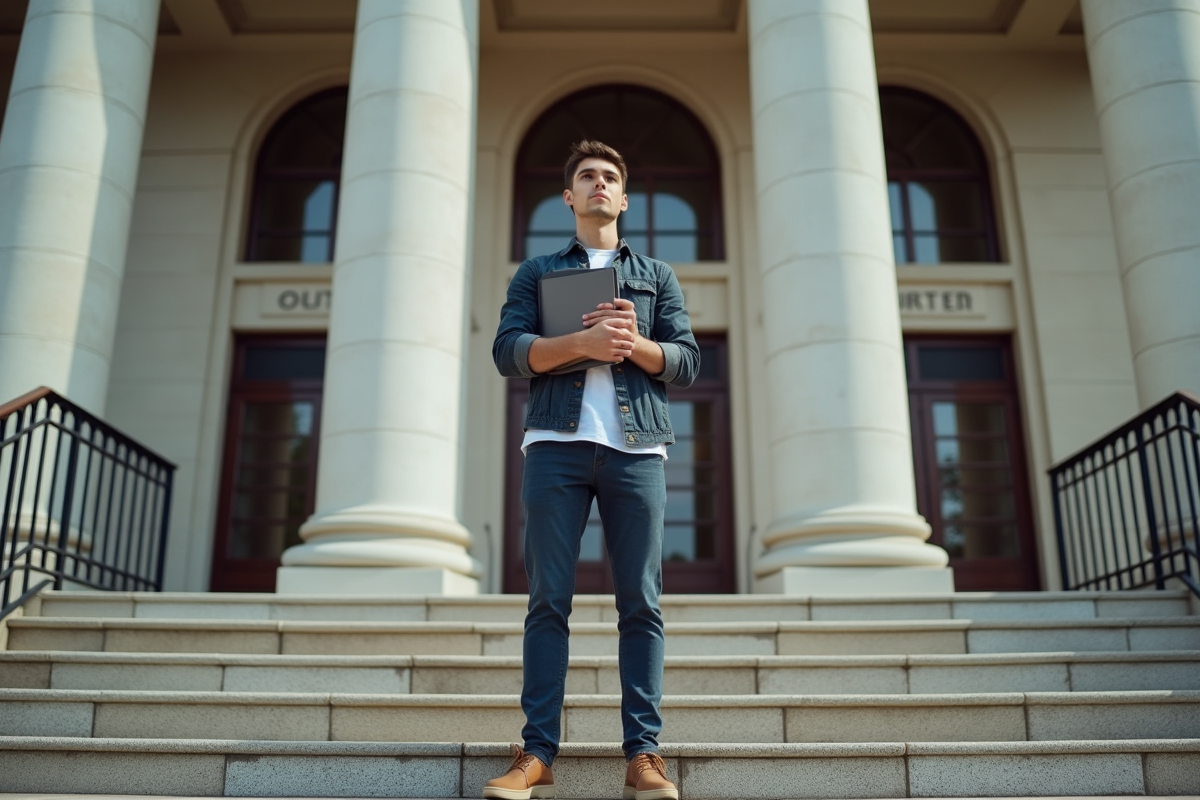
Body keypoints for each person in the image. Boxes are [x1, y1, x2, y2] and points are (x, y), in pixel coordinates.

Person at [488, 140, 700, 800]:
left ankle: (643, 755)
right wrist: (579, 345)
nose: (599, 185)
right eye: (587, 177)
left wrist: (634, 345)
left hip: (638, 451)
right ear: (569, 198)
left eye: (610, 177)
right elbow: (507, 351)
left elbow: (688, 363)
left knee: (641, 602)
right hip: (556, 443)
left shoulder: (658, 276)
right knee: (548, 599)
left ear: (624, 198)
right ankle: (537, 752)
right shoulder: (538, 271)